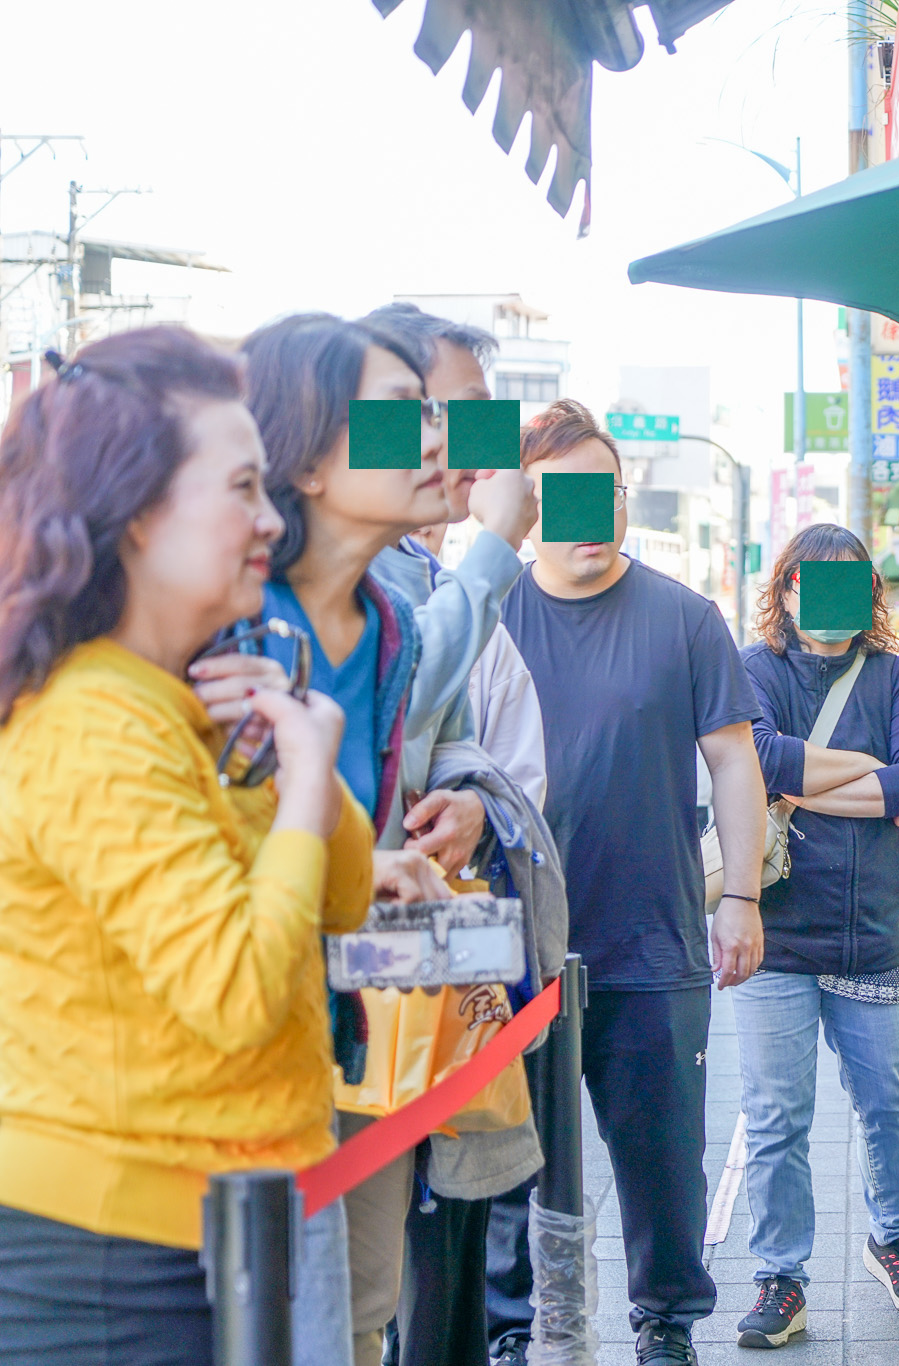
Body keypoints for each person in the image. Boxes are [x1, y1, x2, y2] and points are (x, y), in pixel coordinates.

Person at [0, 327, 376, 1365]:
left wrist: (303, 754)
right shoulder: (94, 723)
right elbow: (237, 990)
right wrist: (302, 781)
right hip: (105, 1263)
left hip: (192, 1231)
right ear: (135, 514)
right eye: (244, 488)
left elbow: (342, 899)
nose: (269, 520)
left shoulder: (168, 704)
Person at [500, 399, 769, 1366]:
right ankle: (510, 1329)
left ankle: (665, 1324)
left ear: (623, 499)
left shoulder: (686, 619)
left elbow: (736, 762)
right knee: (508, 1161)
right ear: (525, 502)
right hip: (512, 951)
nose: (586, 514)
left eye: (601, 492)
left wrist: (740, 897)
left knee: (661, 1158)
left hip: (651, 939)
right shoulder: (488, 613)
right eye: (558, 494)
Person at [240, 312, 484, 1366]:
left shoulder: (387, 629)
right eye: (401, 417)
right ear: (299, 453)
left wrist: (372, 864)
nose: (436, 443)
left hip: (334, 1020)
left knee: (356, 1311)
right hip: (213, 1052)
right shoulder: (228, 615)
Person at [353, 305, 552, 1366]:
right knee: (354, 1297)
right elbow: (402, 700)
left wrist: (473, 802)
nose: (476, 447)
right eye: (457, 414)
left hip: (414, 983)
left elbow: (447, 744)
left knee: (386, 1289)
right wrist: (494, 549)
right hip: (340, 995)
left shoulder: (420, 569)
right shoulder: (361, 572)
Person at [731, 525, 899, 1349]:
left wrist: (808, 778)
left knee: (889, 1103)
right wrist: (868, 772)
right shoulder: (756, 671)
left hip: (869, 931)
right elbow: (753, 757)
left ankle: (892, 1236)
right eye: (813, 585)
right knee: (776, 1114)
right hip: (776, 931)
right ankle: (780, 1275)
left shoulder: (895, 675)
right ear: (785, 591)